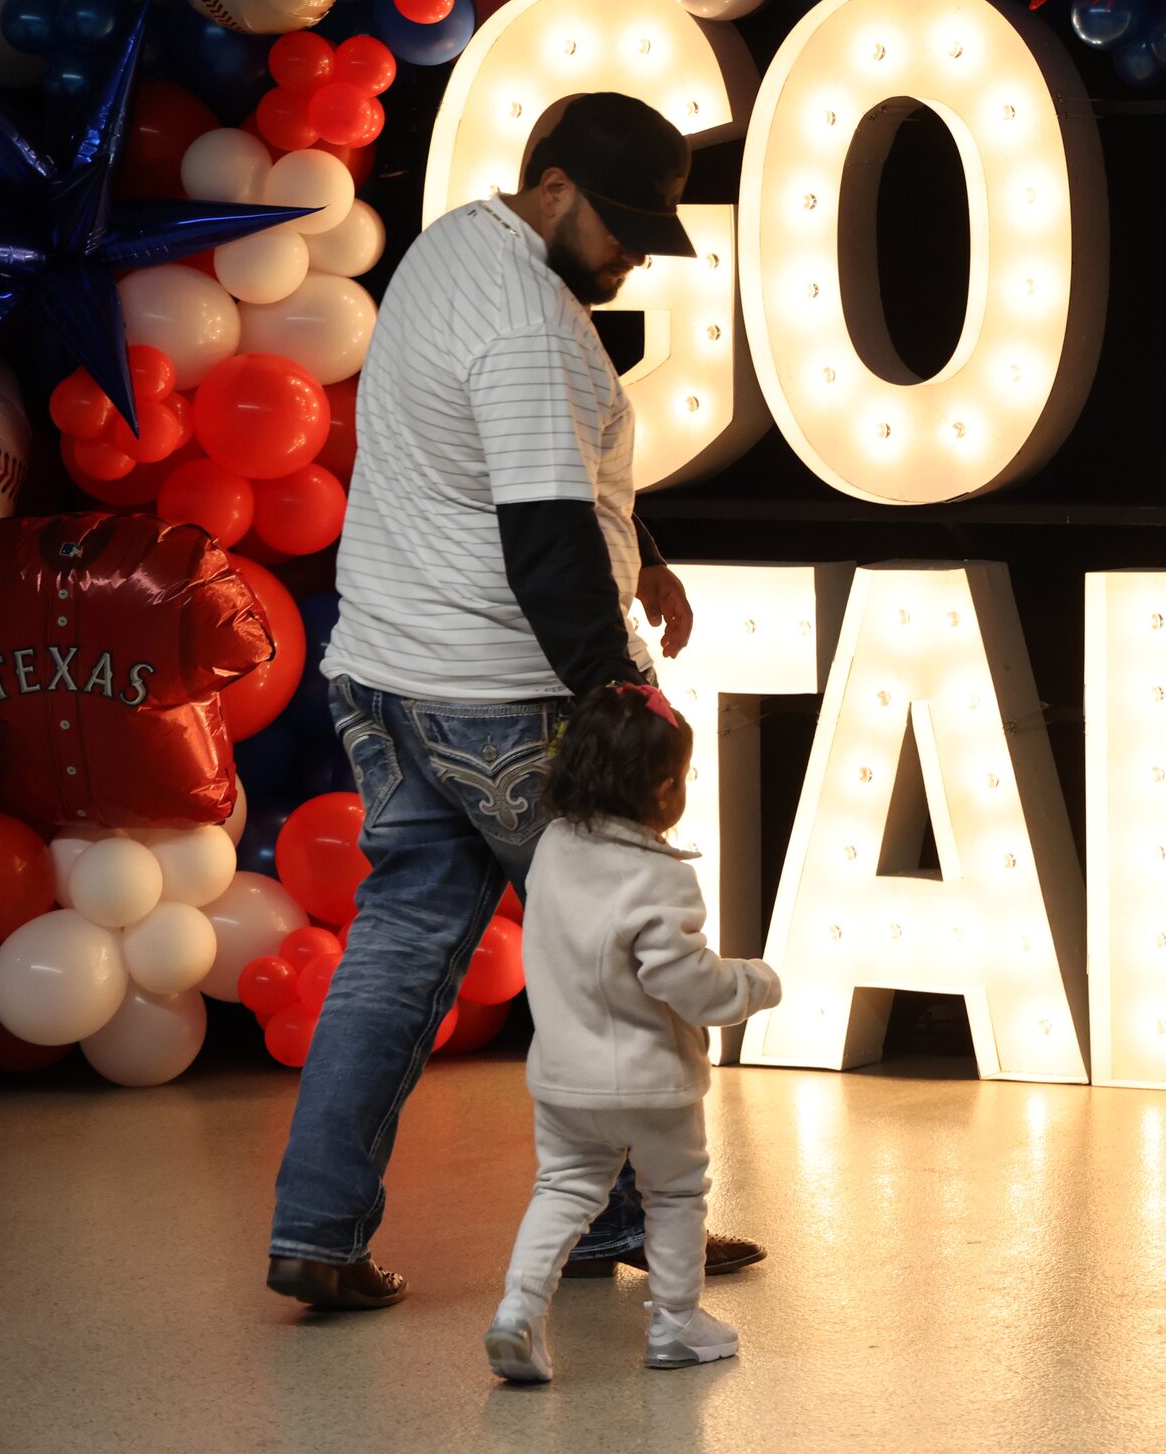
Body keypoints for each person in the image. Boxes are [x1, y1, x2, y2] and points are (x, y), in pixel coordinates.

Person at [266, 92, 756, 1310]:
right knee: (620, 960)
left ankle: (315, 1233)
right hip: (505, 701)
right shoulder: (536, 325)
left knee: (392, 958)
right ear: (551, 188)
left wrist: (636, 545)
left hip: (386, 678)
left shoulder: (451, 250)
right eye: (621, 224)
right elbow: (540, 537)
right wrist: (625, 694)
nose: (634, 252)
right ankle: (623, 1225)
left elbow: (513, 468)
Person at [486, 684, 780, 1382]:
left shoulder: (551, 848)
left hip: (562, 1074)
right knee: (674, 1194)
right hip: (652, 1084)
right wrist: (757, 984)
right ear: (660, 789)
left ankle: (518, 1312)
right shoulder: (658, 877)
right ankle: (676, 1326)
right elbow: (689, 985)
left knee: (561, 1189)